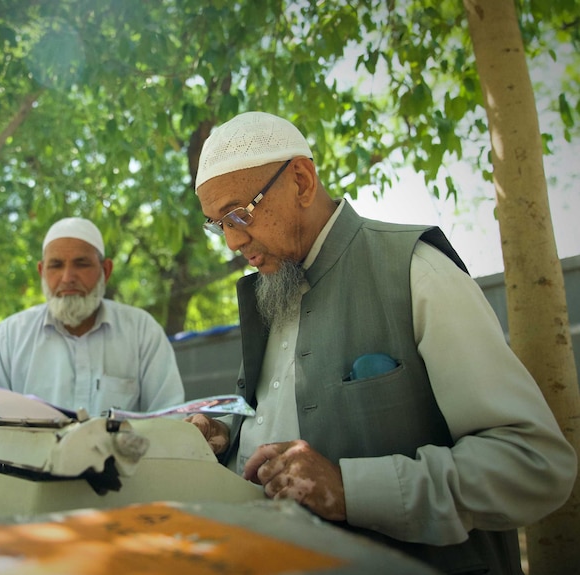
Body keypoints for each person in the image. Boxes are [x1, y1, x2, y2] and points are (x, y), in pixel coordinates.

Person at [186, 111, 577, 573]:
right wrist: (227, 434)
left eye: (239, 214)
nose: (232, 241)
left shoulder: (416, 271)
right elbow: (275, 413)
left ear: (301, 181)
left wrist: (351, 489)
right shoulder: (274, 288)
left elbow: (533, 465)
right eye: (219, 223)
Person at [0, 217, 185, 458]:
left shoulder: (142, 331)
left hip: (126, 491)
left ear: (106, 270)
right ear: (42, 271)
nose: (68, 277)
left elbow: (170, 425)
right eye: (56, 265)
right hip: (29, 490)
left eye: (81, 264)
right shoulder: (8, 338)